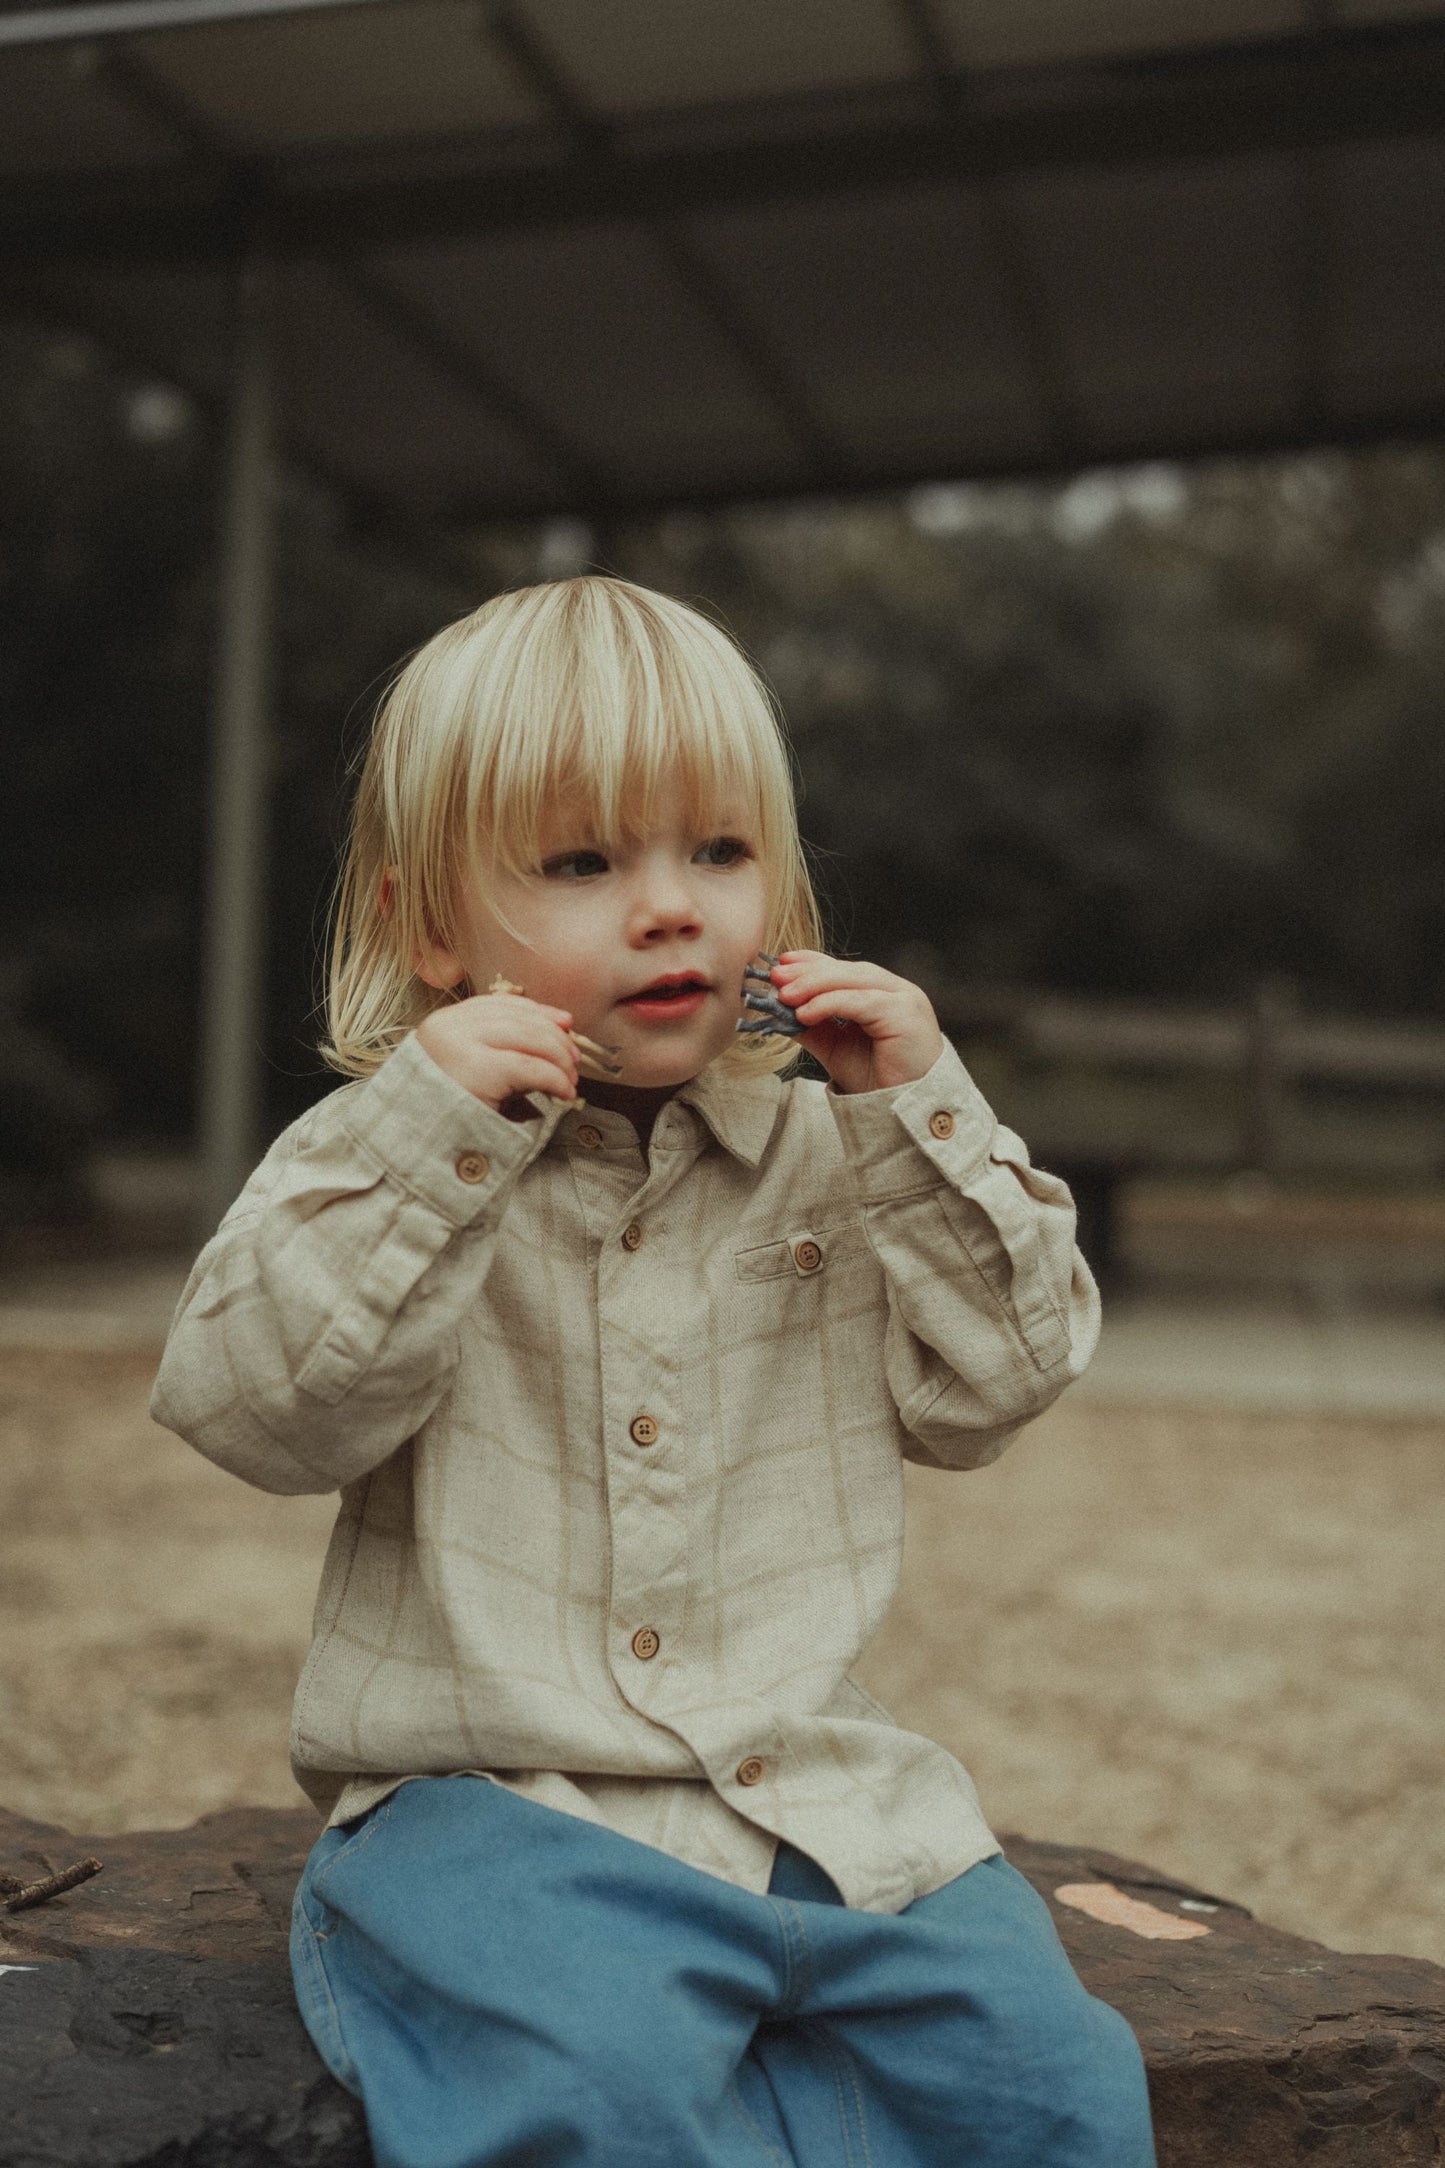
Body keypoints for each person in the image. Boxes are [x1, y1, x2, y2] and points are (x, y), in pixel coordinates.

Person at [151, 576, 1154, 2168]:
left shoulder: (842, 1154)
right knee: (598, 2094)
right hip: (495, 1809)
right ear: (429, 926)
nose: (670, 905)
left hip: (816, 1797)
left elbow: (1000, 1387)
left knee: (1056, 2090)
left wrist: (924, 1113)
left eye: (719, 853)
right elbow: (256, 1413)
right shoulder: (372, 1160)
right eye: (581, 862)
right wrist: (433, 1140)